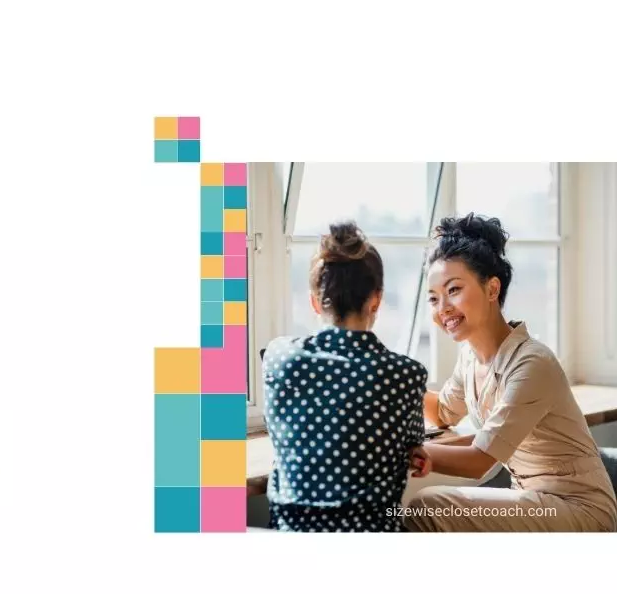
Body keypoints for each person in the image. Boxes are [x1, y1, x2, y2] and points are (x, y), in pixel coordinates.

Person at [405, 213, 617, 532]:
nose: (442, 308)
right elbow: (445, 412)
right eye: (433, 298)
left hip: (581, 510)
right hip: (534, 501)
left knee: (427, 505)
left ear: (492, 289)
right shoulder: (470, 358)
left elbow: (480, 460)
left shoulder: (532, 362)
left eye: (453, 290)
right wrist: (397, 378)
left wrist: (401, 451)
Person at [262, 221, 430, 532]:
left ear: (315, 302)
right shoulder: (406, 375)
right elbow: (412, 444)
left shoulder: (278, 357)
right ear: (376, 300)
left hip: (290, 533)